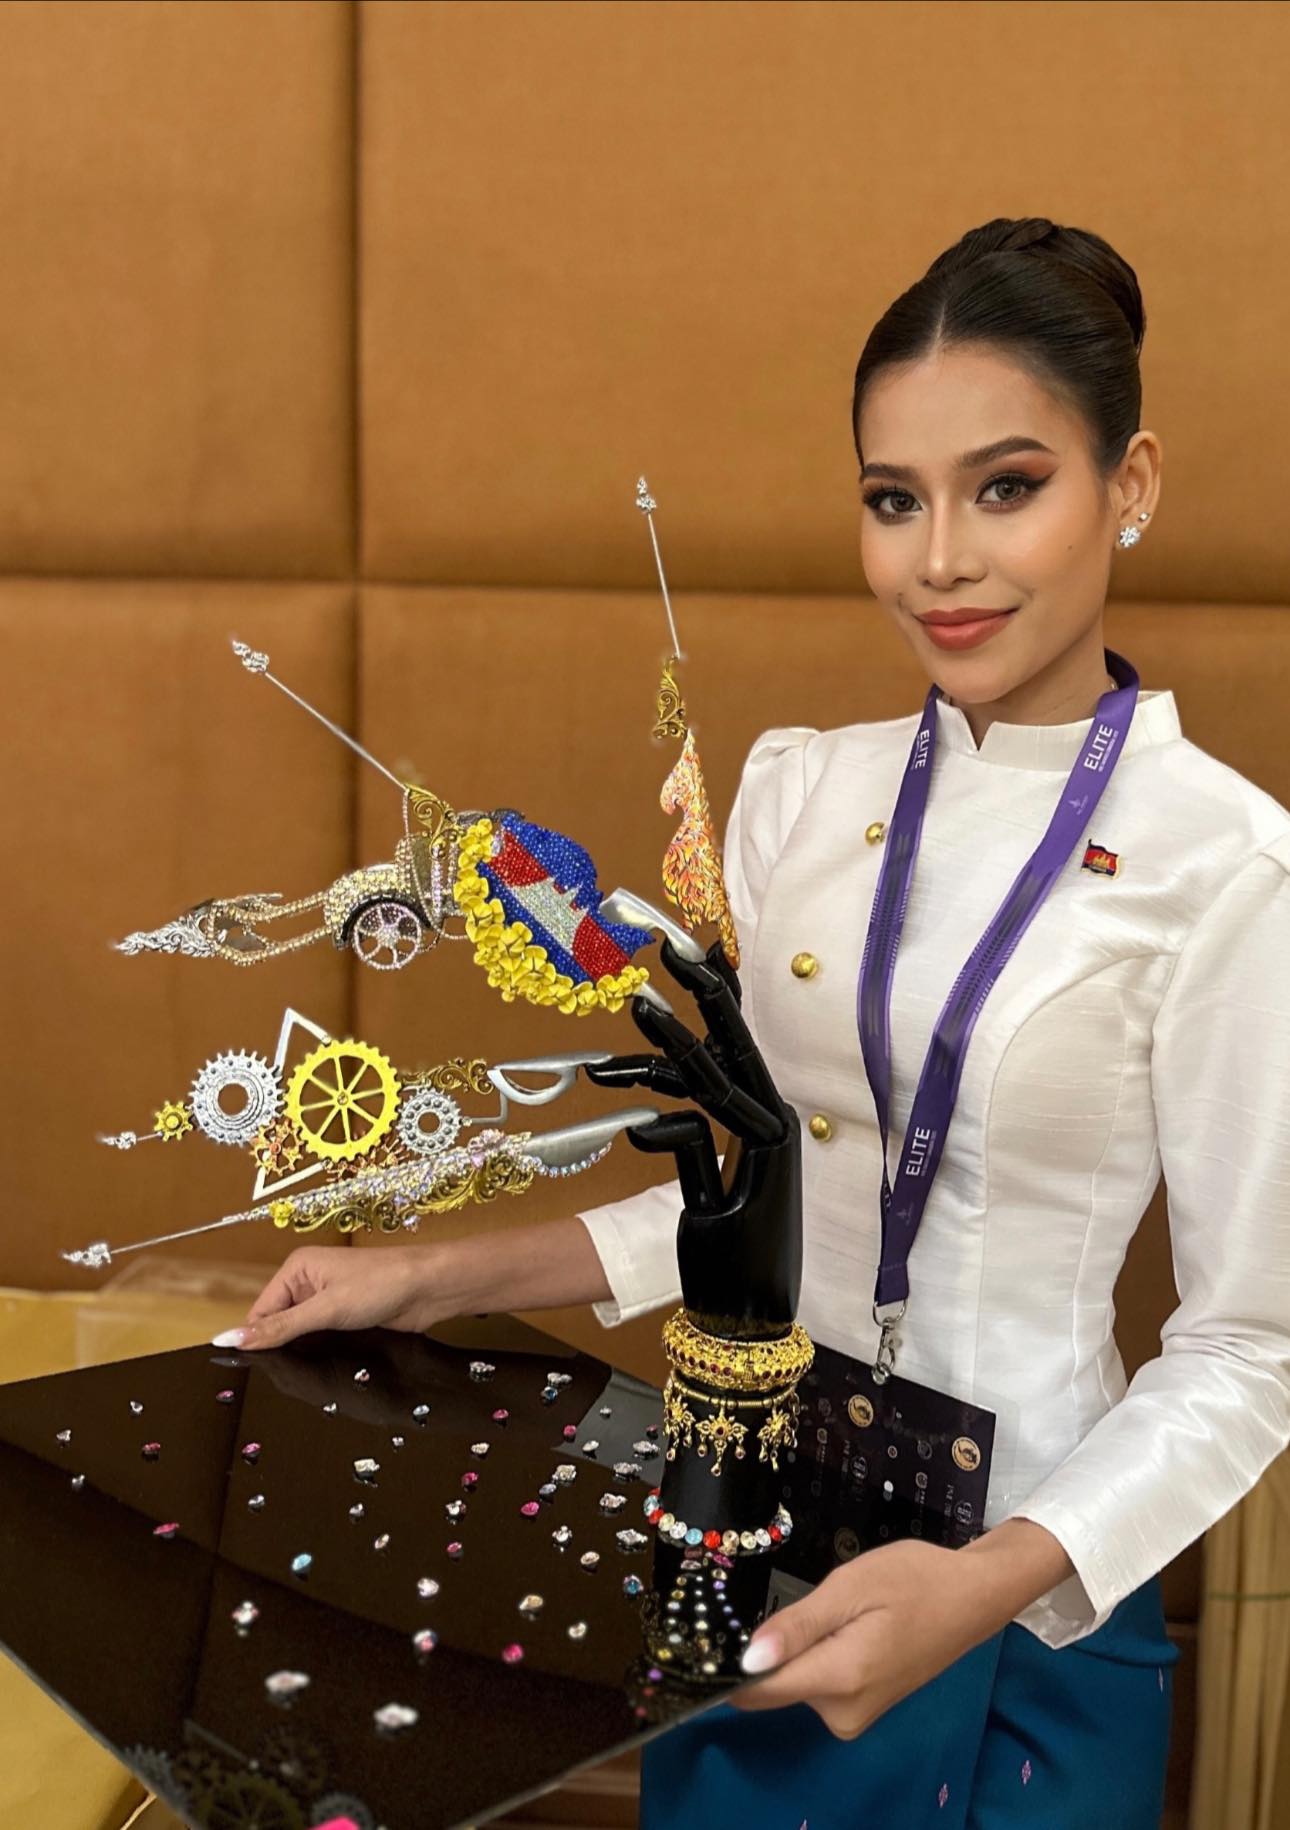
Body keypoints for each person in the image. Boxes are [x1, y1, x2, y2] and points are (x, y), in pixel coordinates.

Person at [218, 216, 1290, 1828]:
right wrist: (432, 1273)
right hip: (752, 1533)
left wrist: (984, 1580)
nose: (939, 560)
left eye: (1006, 486)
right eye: (892, 498)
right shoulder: (798, 795)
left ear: (1128, 485)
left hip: (1026, 1592)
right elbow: (751, 1207)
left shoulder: (1228, 863)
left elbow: (1246, 1347)